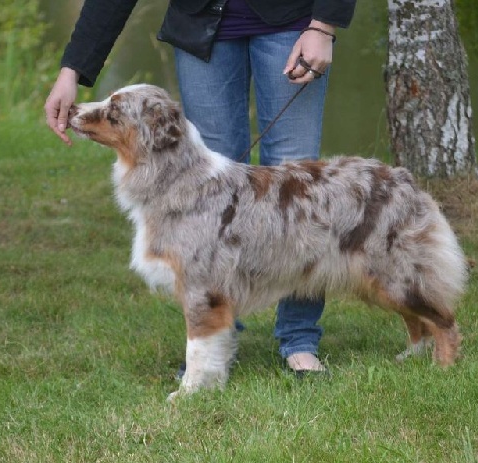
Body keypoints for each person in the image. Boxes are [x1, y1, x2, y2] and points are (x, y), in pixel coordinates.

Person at [45, 0, 357, 375]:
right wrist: (72, 70)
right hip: (202, 25)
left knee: (299, 192)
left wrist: (323, 26)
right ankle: (216, 338)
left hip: (291, 20)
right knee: (209, 200)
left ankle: (299, 337)